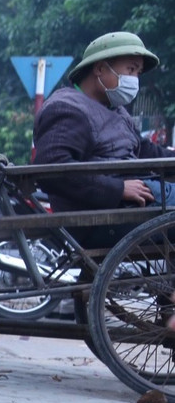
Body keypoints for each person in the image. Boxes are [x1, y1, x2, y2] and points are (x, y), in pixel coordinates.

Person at [33, 31, 175, 249]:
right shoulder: (68, 108)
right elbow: (51, 169)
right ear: (100, 69)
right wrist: (118, 189)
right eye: (130, 69)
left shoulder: (115, 110)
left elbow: (144, 150)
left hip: (136, 205)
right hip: (104, 218)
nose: (134, 79)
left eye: (137, 72)